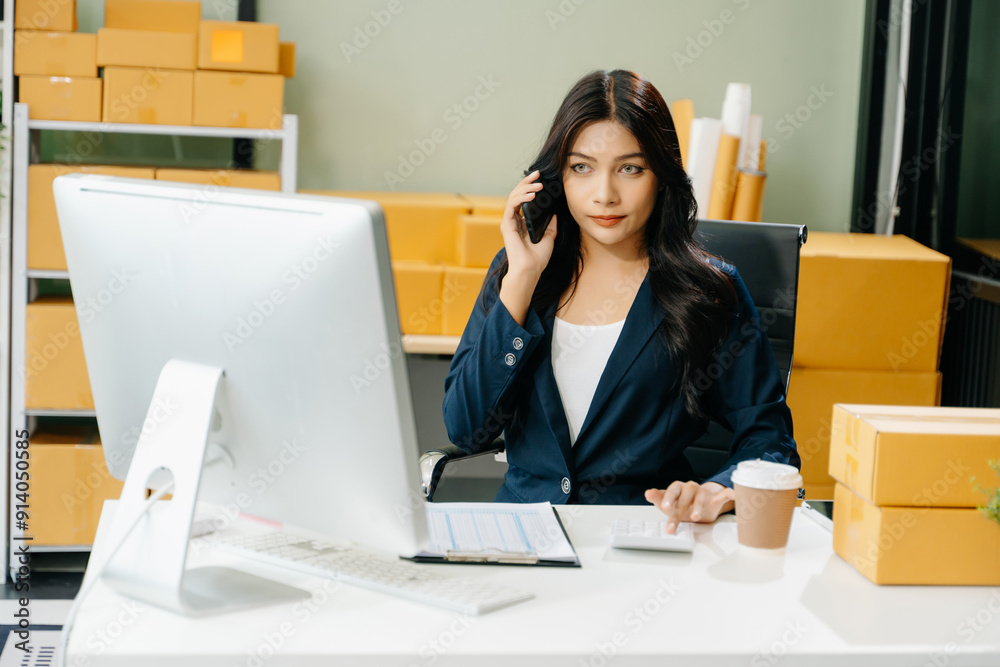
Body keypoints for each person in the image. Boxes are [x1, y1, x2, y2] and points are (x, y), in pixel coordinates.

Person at [442, 69, 799, 533]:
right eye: (582, 168)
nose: (605, 194)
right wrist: (522, 279)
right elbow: (466, 429)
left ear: (660, 176)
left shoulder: (707, 292)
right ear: (556, 178)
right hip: (521, 533)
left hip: (642, 538)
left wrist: (719, 490)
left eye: (630, 168)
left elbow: (770, 442)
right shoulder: (518, 272)